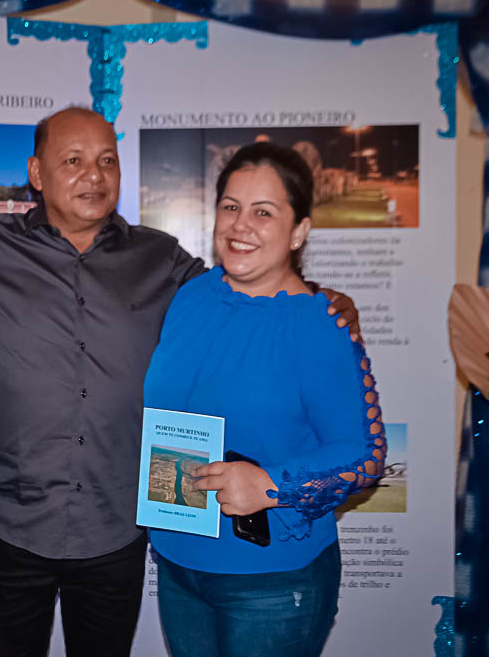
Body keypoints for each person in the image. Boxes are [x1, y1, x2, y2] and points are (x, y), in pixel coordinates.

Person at [0, 108, 361, 657]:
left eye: (107, 159)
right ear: (36, 172)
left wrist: (319, 301)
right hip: (6, 528)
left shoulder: (164, 260)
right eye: (72, 160)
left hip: (116, 531)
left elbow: (246, 284)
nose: (93, 174)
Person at [143, 141, 386, 657]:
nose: (239, 225)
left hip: (271, 583)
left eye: (263, 212)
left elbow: (365, 457)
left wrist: (270, 487)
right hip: (179, 565)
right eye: (230, 207)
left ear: (299, 231)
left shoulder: (319, 326)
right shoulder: (191, 298)